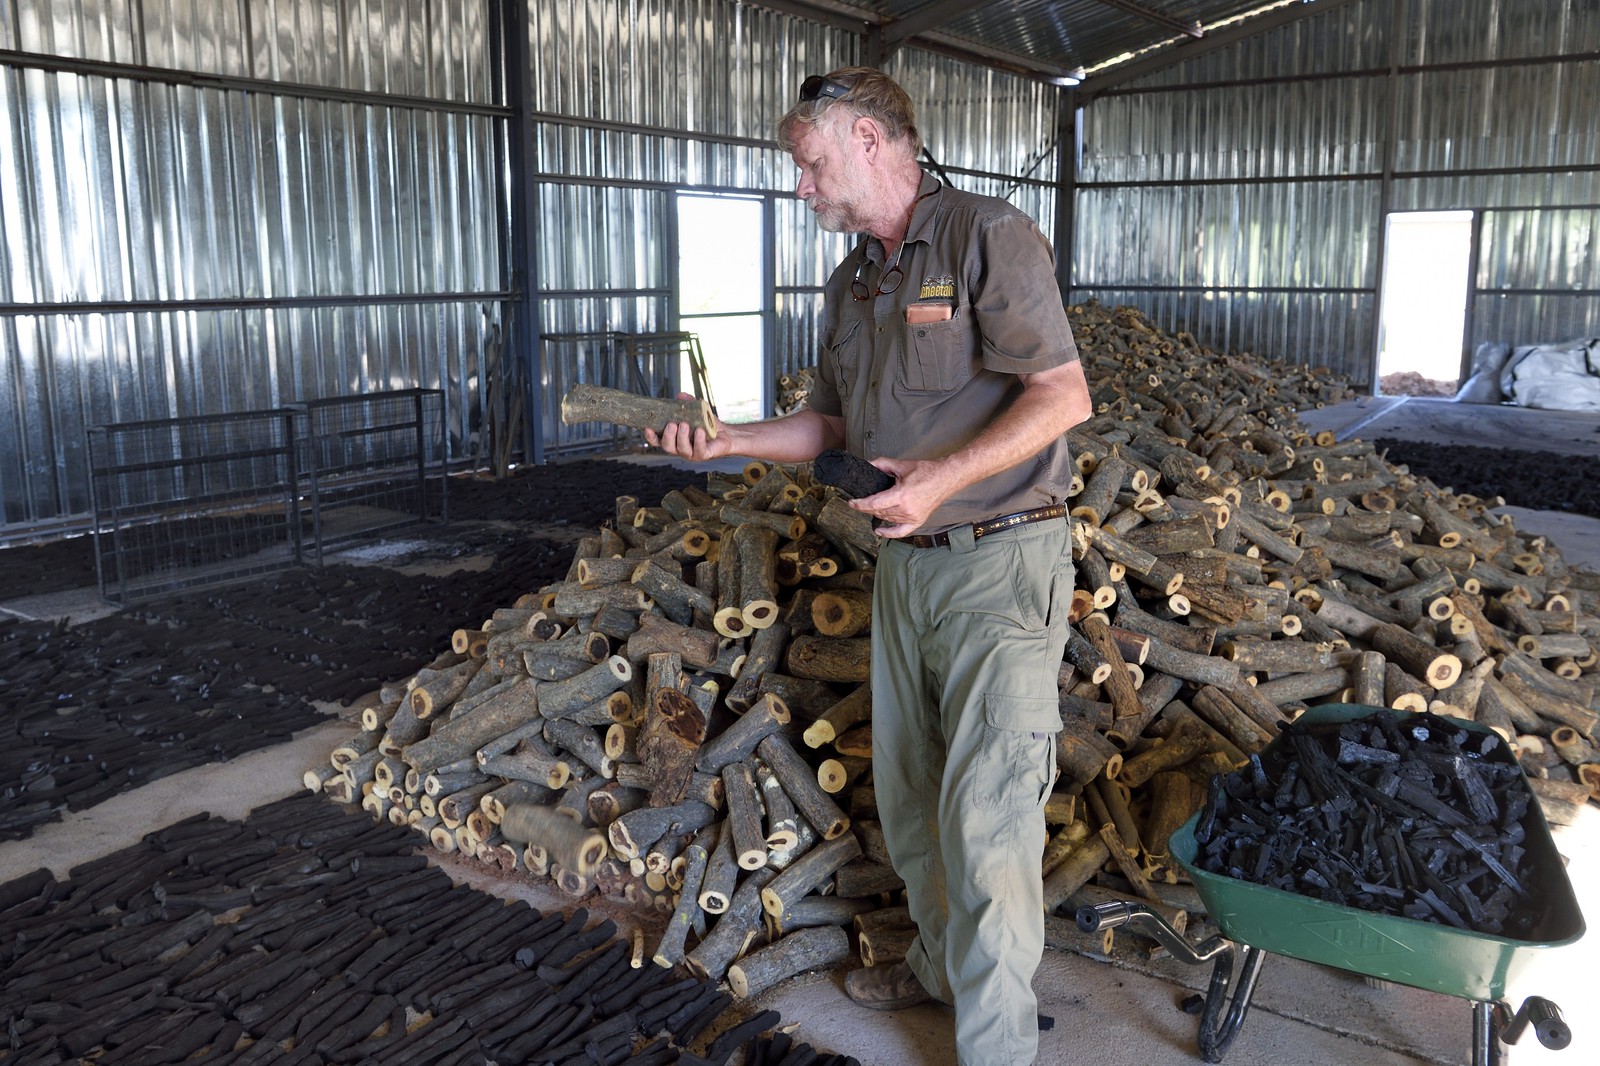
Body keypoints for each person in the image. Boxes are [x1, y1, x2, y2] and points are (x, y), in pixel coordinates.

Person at [646, 66, 1092, 1065]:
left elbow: (1062, 395)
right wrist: (729, 439)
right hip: (905, 567)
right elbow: (833, 426)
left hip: (999, 560)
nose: (801, 186)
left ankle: (996, 1048)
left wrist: (945, 479)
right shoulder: (853, 281)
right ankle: (941, 969)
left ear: (869, 140)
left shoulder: (986, 235)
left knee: (988, 817)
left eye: (809, 165)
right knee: (912, 795)